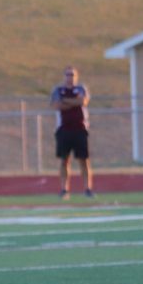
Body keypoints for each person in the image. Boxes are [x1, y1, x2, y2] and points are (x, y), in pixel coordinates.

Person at [50, 66, 94, 198]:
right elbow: (57, 105)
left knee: (84, 160)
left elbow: (83, 101)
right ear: (64, 76)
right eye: (68, 75)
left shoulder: (81, 89)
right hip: (64, 129)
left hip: (80, 129)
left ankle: (87, 189)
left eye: (72, 75)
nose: (70, 77)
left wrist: (67, 102)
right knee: (64, 160)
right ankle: (64, 189)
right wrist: (74, 103)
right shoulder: (58, 90)